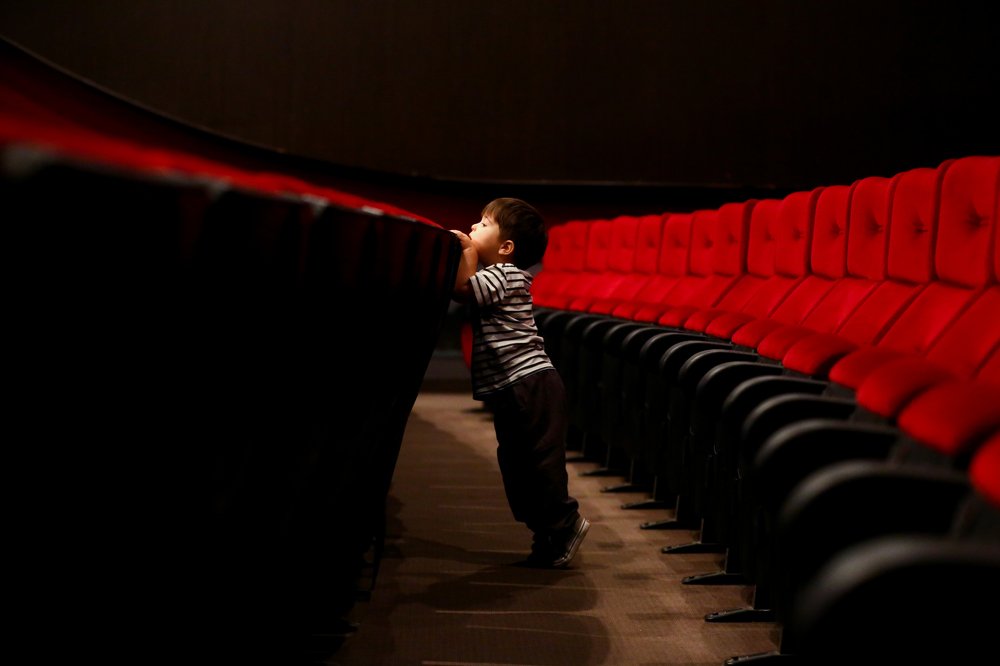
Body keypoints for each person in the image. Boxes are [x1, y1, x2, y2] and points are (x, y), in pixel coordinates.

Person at [450, 197, 589, 568]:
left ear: (506, 248)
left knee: (540, 463)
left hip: (530, 384)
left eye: (483, 223)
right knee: (516, 464)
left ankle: (564, 524)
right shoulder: (498, 274)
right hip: (514, 387)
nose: (474, 227)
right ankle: (545, 534)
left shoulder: (505, 274)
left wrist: (465, 251)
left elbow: (463, 289)